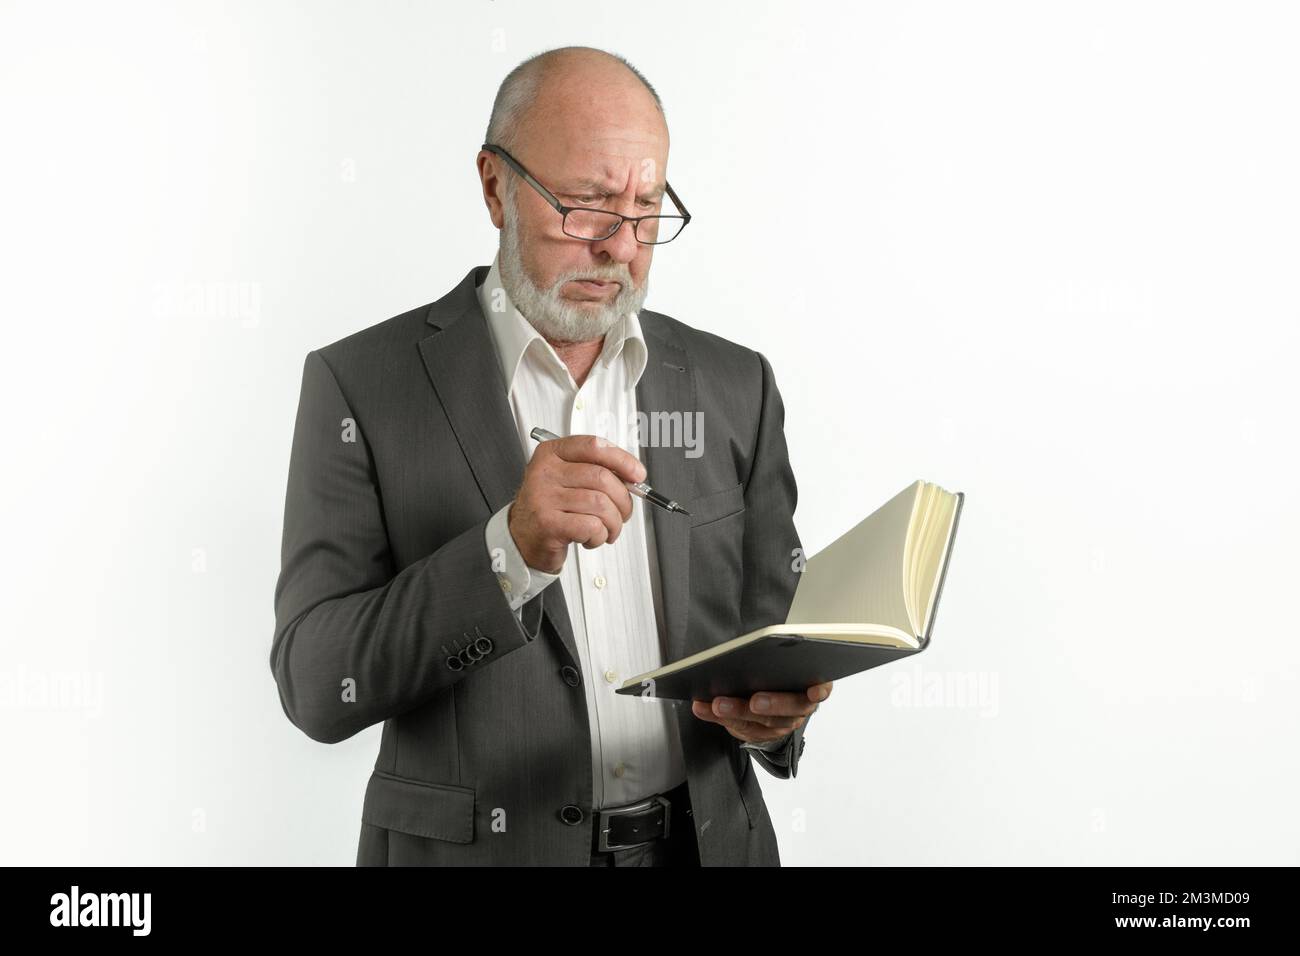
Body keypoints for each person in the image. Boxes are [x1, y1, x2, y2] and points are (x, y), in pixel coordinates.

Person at [270, 45, 831, 867]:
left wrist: (778, 717)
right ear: (496, 187)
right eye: (588, 205)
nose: (621, 247)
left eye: (646, 210)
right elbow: (316, 685)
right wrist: (508, 552)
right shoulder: (360, 385)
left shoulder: (734, 383)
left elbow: (771, 638)